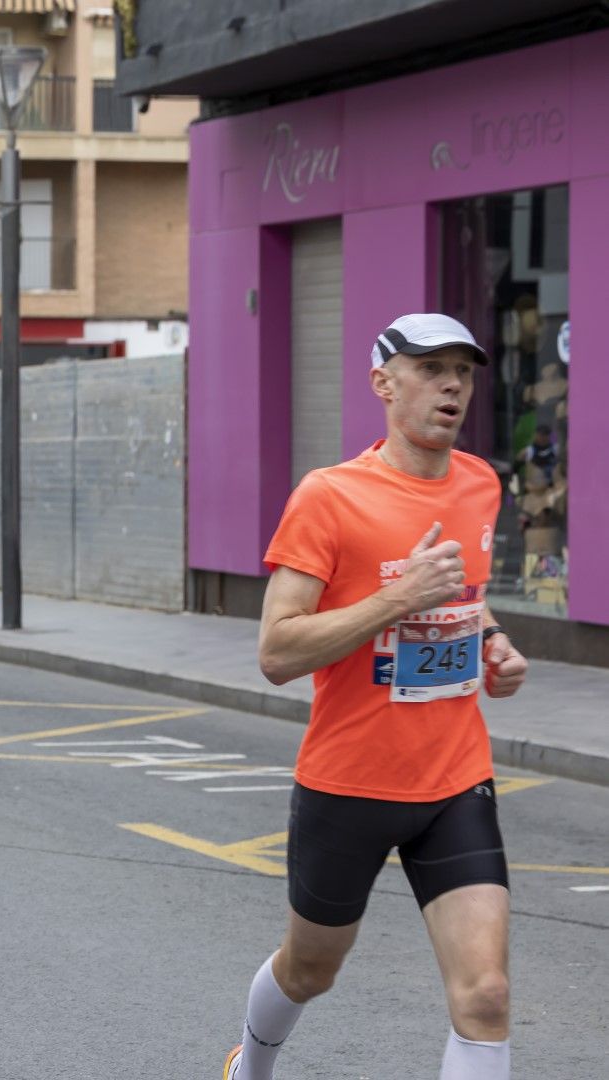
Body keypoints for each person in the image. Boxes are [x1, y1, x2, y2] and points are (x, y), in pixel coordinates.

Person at [223, 314, 530, 1080]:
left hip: (455, 777)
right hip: (348, 782)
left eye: (463, 370)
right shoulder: (329, 497)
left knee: (486, 994)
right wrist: (396, 601)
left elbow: (464, 594)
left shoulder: (481, 482)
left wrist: (491, 639)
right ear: (382, 383)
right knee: (310, 970)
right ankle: (251, 1068)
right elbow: (276, 652)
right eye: (430, 368)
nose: (453, 384)